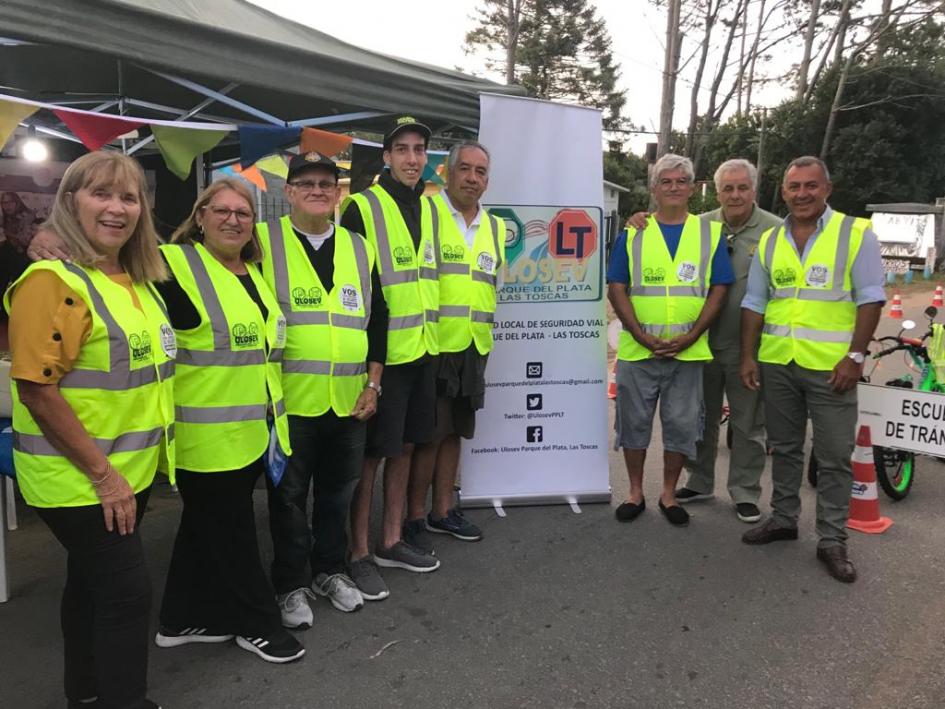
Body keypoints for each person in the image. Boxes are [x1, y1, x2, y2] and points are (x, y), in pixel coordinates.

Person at [5, 151, 174, 709]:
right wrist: (104, 476)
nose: (116, 208)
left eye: (129, 197)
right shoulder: (53, 281)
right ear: (70, 200)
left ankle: (85, 693)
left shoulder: (134, 280)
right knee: (127, 596)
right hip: (81, 478)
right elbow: (36, 389)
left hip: (126, 470)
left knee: (89, 586)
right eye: (100, 193)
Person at [153, 178, 304, 663]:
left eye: (243, 213)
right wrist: (55, 239)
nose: (233, 220)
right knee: (234, 535)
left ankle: (178, 620)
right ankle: (258, 624)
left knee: (203, 529)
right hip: (206, 436)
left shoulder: (251, 273)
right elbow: (112, 256)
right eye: (222, 210)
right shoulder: (173, 263)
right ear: (200, 216)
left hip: (252, 431)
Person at [740, 156, 884, 583]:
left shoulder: (855, 233)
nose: (802, 194)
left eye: (810, 186)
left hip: (832, 367)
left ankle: (832, 540)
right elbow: (755, 302)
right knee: (783, 447)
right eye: (794, 187)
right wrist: (749, 355)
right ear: (783, 192)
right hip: (779, 361)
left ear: (827, 189)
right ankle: (784, 519)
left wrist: (855, 357)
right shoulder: (769, 240)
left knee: (834, 455)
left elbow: (871, 298)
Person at [257, 152, 387, 619]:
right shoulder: (261, 241)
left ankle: (328, 570)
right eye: (306, 182)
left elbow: (379, 322)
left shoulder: (359, 246)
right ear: (288, 191)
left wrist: (374, 386)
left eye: (326, 184)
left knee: (338, 494)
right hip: (290, 402)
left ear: (337, 194)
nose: (317, 190)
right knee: (288, 499)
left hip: (350, 402)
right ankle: (290, 583)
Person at [627, 159, 779, 523]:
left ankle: (744, 492)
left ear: (754, 191)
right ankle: (700, 480)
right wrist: (638, 218)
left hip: (747, 345)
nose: (735, 195)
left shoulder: (775, 230)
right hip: (698, 344)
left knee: (747, 422)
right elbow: (664, 225)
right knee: (699, 418)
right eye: (728, 188)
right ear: (715, 190)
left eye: (743, 188)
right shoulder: (703, 225)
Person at [341, 116, 441, 599]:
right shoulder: (362, 207)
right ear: (385, 156)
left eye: (419, 149)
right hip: (382, 357)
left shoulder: (429, 208)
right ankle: (358, 552)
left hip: (422, 350)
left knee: (404, 449)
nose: (411, 158)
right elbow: (353, 287)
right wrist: (371, 368)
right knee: (371, 458)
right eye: (401, 149)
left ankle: (392, 539)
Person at [607, 153, 733, 527]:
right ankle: (634, 492)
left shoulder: (709, 233)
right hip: (637, 350)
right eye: (666, 181)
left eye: (681, 181)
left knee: (680, 426)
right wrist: (641, 336)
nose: (674, 187)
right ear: (654, 189)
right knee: (633, 423)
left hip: (688, 352)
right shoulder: (633, 232)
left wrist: (693, 335)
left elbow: (719, 289)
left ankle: (667, 494)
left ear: (693, 188)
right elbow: (617, 288)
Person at [407, 141, 504, 543]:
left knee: (455, 434)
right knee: (427, 436)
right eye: (465, 169)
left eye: (480, 172)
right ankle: (413, 518)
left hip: (472, 348)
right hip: (432, 346)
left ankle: (442, 511)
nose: (472, 178)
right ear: (446, 172)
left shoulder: (496, 227)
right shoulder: (425, 213)